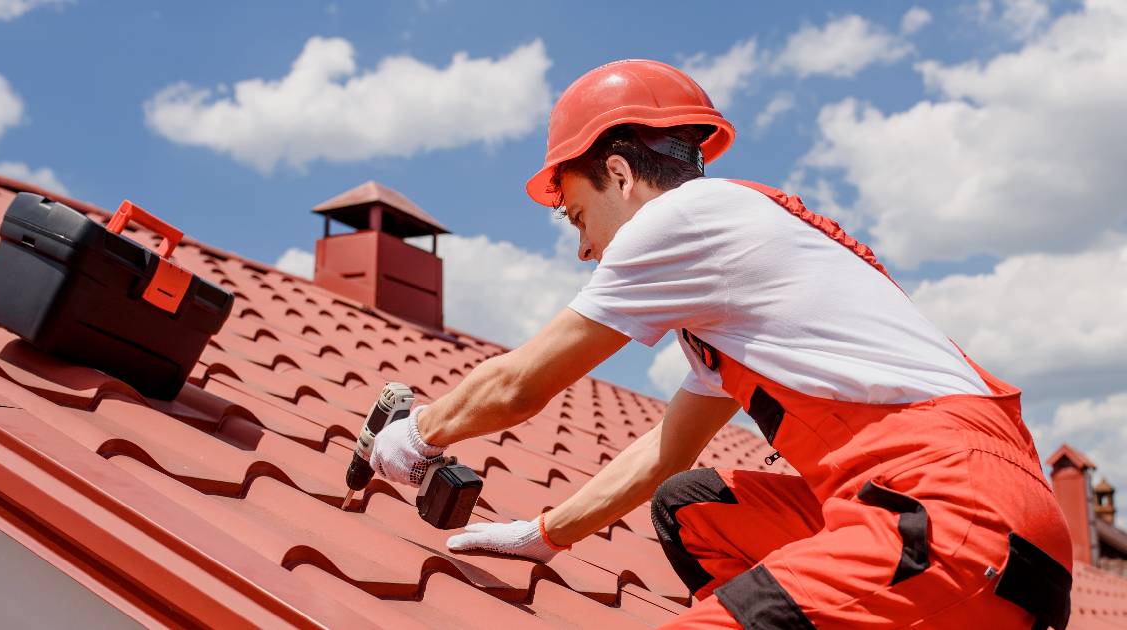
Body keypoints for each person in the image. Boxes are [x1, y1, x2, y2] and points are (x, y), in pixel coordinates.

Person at [370, 59, 1073, 629]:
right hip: (976, 516)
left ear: (620, 174)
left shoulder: (682, 219)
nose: (584, 248)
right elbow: (667, 452)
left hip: (952, 522)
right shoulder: (734, 267)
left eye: (578, 216)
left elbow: (519, 384)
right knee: (692, 506)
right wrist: (547, 533)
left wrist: (417, 434)